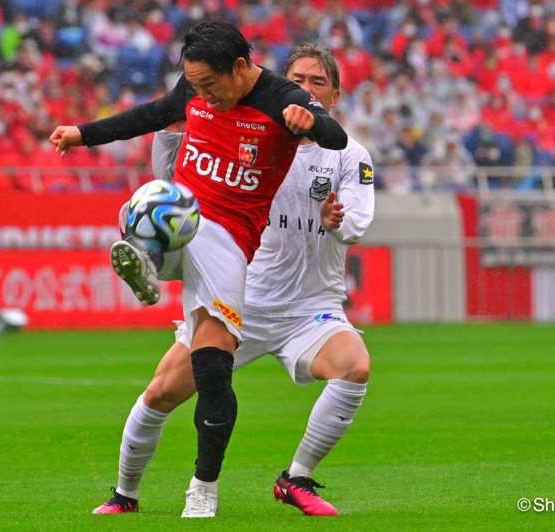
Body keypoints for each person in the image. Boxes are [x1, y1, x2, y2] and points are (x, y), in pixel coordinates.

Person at [49, 21, 347, 518]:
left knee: (204, 374)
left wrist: (310, 122)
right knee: (157, 199)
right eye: (196, 86)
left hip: (229, 238)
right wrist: (84, 134)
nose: (203, 96)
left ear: (239, 67)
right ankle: (145, 257)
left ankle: (201, 490)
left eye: (211, 85)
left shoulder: (281, 96)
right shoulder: (196, 86)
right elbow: (153, 115)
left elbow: (335, 137)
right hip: (187, 211)